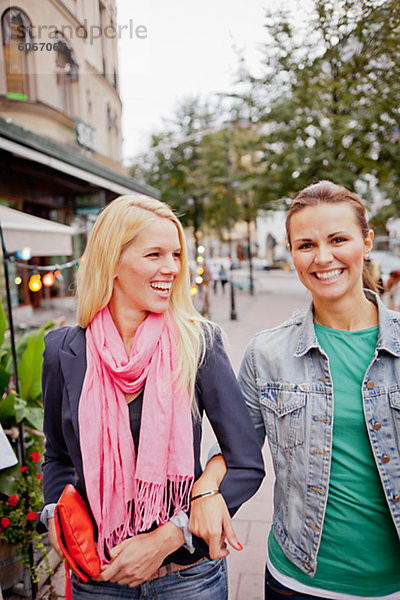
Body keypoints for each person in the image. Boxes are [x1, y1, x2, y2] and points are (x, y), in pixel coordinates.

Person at [38, 195, 264, 599]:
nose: (172, 268)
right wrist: (57, 513)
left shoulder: (198, 344)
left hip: (187, 577)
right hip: (100, 576)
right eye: (155, 254)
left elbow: (246, 462)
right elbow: (56, 455)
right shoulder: (63, 351)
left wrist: (166, 538)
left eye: (176, 254)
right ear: (113, 262)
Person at [191, 181, 400, 599]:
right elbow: (235, 448)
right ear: (292, 253)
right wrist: (205, 491)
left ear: (366, 241)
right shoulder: (266, 352)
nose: (323, 258)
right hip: (296, 582)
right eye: (306, 245)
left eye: (338, 239)